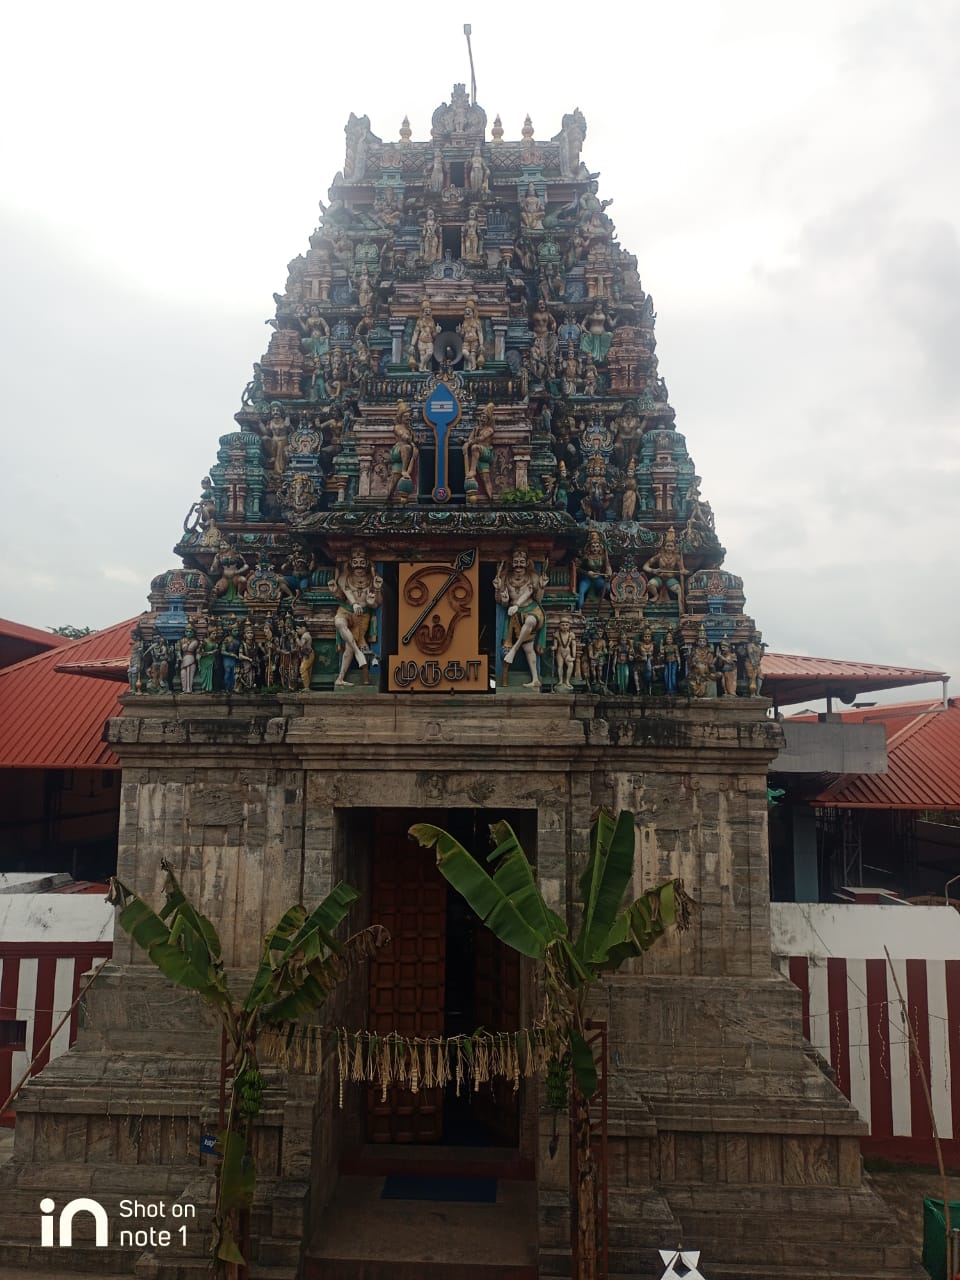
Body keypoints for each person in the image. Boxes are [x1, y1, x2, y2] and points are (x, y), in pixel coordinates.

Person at [494, 546, 548, 689]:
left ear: (527, 562)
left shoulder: (533, 577)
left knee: (530, 621)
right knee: (528, 648)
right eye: (516, 562)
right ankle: (535, 679)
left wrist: (542, 587)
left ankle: (513, 650)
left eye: (521, 562)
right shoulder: (505, 578)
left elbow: (537, 598)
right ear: (512, 563)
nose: (518, 565)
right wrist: (500, 592)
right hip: (516, 615)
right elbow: (502, 603)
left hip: (532, 610)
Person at [333, 548, 383, 686]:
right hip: (347, 610)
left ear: (367, 564)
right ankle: (357, 651)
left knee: (348, 647)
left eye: (362, 563)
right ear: (350, 563)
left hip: (362, 616)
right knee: (339, 622)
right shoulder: (345, 577)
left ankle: (340, 678)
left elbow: (377, 604)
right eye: (355, 563)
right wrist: (354, 603)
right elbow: (346, 592)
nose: (359, 567)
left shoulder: (373, 579)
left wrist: (375, 593)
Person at [178, 627, 199, 694]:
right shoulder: (181, 640)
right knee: (183, 674)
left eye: (190, 632)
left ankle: (189, 689)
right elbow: (178, 650)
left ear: (193, 633)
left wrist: (198, 657)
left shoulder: (195, 641)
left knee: (190, 675)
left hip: (191, 658)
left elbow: (198, 651)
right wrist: (179, 656)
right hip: (184, 659)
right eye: (187, 631)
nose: (188, 633)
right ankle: (184, 689)